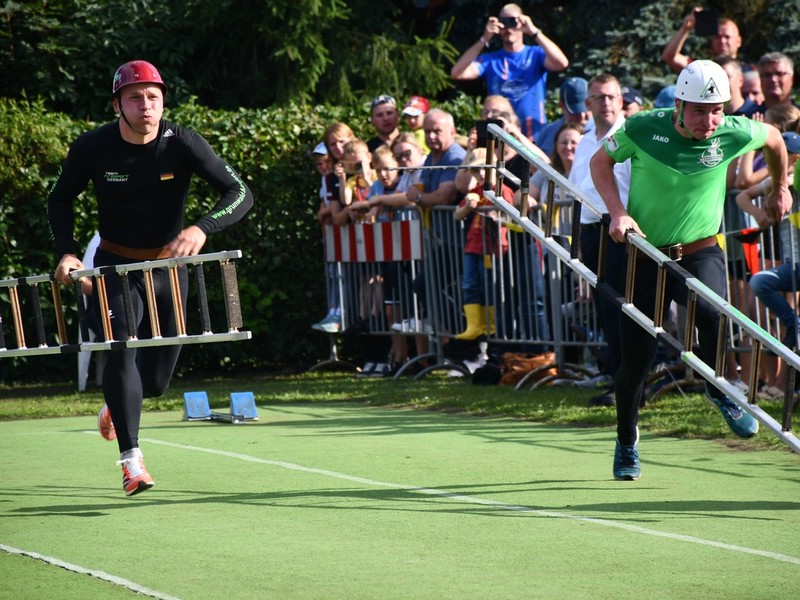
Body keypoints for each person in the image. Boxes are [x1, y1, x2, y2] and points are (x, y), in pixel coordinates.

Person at [47, 60, 254, 496]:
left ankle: (115, 407)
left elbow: (239, 192)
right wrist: (66, 252)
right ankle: (131, 461)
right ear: (118, 103)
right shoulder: (94, 146)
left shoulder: (183, 143)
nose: (146, 106)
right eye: (136, 97)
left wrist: (201, 227)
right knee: (120, 351)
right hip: (113, 268)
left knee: (155, 384)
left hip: (166, 270)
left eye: (154, 97)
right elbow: (60, 199)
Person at [590, 60, 792, 481]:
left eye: (716, 109)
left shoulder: (733, 130)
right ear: (679, 105)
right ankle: (627, 439)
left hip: (701, 249)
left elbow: (774, 139)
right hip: (644, 255)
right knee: (636, 364)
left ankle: (717, 388)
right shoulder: (643, 127)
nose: (710, 120)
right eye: (700, 110)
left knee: (715, 312)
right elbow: (599, 164)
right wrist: (618, 213)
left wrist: (781, 187)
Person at [568, 74, 631, 406]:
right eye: (598, 97)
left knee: (623, 310)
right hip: (591, 232)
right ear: (588, 103)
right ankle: (621, 382)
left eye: (611, 96)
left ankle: (630, 387)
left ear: (620, 100)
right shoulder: (584, 140)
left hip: (619, 232)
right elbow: (578, 189)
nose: (605, 103)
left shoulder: (630, 135)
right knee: (606, 310)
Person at [450, 3, 569, 140]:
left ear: (522, 22)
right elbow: (457, 72)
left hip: (535, 135)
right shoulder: (491, 60)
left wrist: (533, 31)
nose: (509, 28)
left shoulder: (535, 54)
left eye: (513, 21)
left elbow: (562, 63)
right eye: (504, 23)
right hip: (501, 137)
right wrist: (484, 38)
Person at [739, 132, 800, 387]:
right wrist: (757, 213)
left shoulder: (795, 181)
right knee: (760, 282)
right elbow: (741, 195)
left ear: (794, 158)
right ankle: (792, 324)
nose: (772, 159)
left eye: (780, 154)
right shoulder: (780, 183)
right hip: (793, 266)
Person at [453, 148, 515, 340]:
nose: (480, 173)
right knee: (469, 284)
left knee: (490, 286)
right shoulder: (475, 191)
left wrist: (499, 215)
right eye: (475, 169)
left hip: (494, 247)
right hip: (474, 245)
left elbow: (512, 218)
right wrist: (468, 206)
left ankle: (492, 326)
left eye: (484, 168)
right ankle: (475, 326)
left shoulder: (503, 190)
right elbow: (457, 214)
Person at [310, 142, 343, 334]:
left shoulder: (336, 177)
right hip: (332, 236)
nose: (322, 166)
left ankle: (339, 313)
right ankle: (333, 311)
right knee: (333, 274)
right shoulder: (326, 180)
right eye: (318, 164)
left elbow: (330, 207)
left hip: (342, 235)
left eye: (325, 162)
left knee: (342, 275)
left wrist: (325, 211)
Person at [662, 7, 741, 74]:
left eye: (727, 37)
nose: (722, 41)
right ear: (712, 40)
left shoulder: (749, 71)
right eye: (717, 37)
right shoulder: (700, 69)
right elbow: (670, 57)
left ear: (738, 41)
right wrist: (686, 28)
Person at [534, 78, 592, 157]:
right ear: (561, 106)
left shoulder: (602, 133)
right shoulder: (548, 133)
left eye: (586, 108)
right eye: (575, 111)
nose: (582, 116)